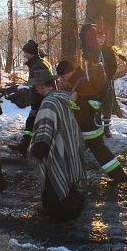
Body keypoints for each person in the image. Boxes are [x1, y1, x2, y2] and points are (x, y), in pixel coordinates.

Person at [29, 69, 87, 221]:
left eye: (36, 85)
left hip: (55, 150)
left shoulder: (48, 103)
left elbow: (44, 132)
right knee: (67, 177)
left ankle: (60, 213)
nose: (35, 88)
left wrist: (37, 154)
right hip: (68, 146)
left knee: (54, 178)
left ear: (41, 86)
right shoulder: (62, 97)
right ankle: (66, 206)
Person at [56, 60, 127, 184]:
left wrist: (70, 103)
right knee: (96, 151)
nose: (62, 79)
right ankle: (72, 178)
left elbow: (88, 106)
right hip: (87, 126)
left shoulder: (80, 83)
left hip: (88, 128)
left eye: (63, 76)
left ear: (69, 72)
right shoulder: (77, 80)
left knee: (100, 152)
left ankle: (119, 177)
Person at [8, 40, 56, 155]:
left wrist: (35, 106)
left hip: (42, 100)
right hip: (42, 99)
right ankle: (26, 145)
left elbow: (39, 87)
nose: (24, 55)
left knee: (36, 123)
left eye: (25, 52)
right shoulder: (38, 63)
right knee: (32, 122)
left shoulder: (38, 65)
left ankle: (36, 148)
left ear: (30, 53)